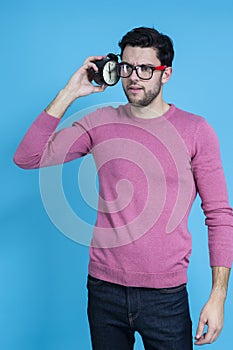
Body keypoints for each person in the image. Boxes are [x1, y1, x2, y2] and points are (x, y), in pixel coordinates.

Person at [14, 27, 233, 350]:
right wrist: (70, 92)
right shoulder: (100, 122)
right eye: (127, 67)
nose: (134, 77)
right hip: (104, 291)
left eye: (145, 69)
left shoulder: (196, 130)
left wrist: (218, 297)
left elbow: (219, 215)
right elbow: (27, 157)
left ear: (166, 74)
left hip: (166, 296)